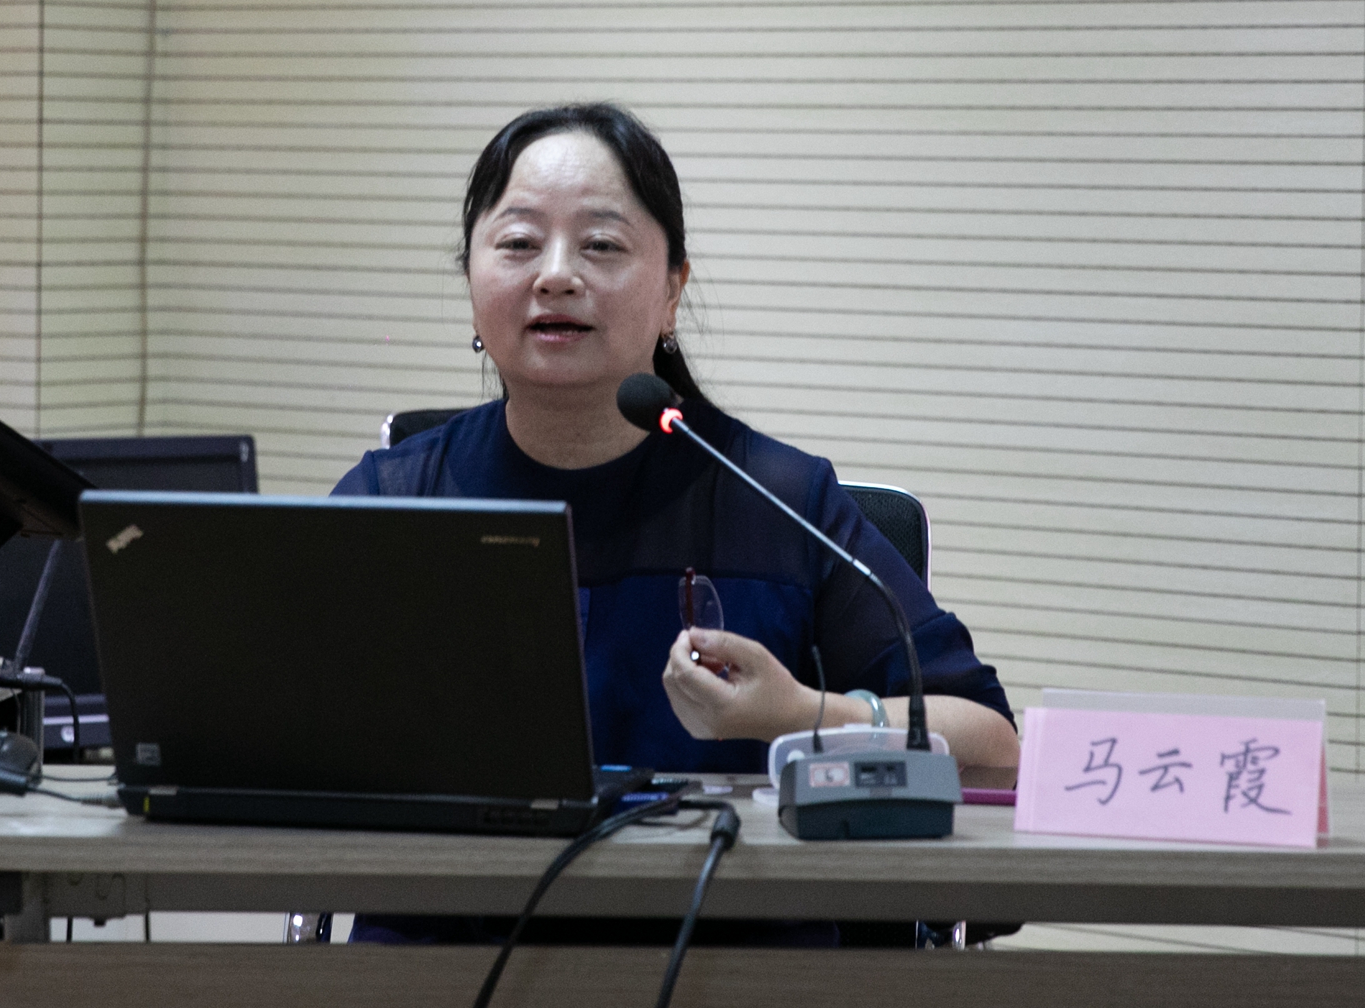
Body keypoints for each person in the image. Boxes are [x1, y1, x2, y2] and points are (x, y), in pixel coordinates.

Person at [333, 103, 1019, 778]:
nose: (556, 275)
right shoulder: (392, 499)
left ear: (671, 292)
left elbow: (992, 743)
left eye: (601, 245)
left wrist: (804, 714)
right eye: (518, 243)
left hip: (711, 859)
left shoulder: (778, 503)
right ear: (470, 280)